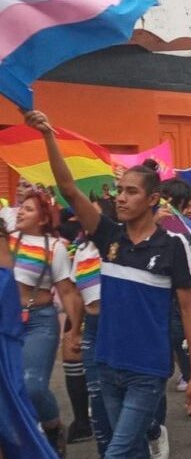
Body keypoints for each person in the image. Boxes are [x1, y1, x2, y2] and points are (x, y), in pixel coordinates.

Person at [26, 110, 191, 458]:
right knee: (130, 450)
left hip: (147, 370)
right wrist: (49, 135)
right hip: (107, 363)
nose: (120, 198)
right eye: (119, 191)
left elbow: (188, 312)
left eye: (131, 192)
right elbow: (67, 188)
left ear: (153, 199)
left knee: (117, 452)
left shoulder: (172, 246)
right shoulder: (108, 234)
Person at [10, 190, 82, 454]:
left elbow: (66, 292)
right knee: (8, 386)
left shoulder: (55, 248)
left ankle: (53, 427)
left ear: (42, 219)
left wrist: (75, 329)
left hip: (39, 322)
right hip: (7, 321)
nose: (20, 211)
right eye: (20, 207)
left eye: (28, 209)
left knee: (33, 385)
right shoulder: (6, 241)